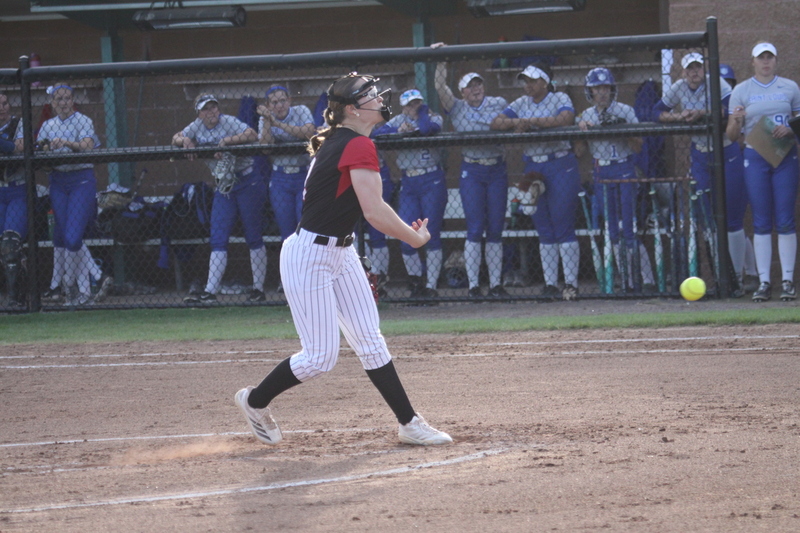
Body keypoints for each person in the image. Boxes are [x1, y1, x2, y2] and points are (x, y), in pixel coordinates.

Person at [234, 72, 452, 446]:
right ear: (352, 109)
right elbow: (374, 210)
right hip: (311, 257)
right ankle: (254, 401)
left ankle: (409, 423)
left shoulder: (346, 139)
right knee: (320, 358)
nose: (379, 99)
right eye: (369, 95)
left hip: (340, 251)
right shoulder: (355, 144)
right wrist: (415, 238)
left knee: (370, 340)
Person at [655, 52, 749, 297]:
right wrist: (678, 116)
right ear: (683, 71)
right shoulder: (679, 87)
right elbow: (656, 112)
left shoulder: (715, 81)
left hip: (726, 152)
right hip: (700, 154)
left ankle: (736, 278)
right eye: (689, 68)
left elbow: (729, 109)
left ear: (703, 68)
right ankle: (720, 277)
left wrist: (702, 113)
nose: (694, 72)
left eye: (697, 67)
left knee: (732, 218)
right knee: (706, 219)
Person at [491, 64, 581, 301]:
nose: (527, 85)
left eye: (532, 80)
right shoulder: (521, 103)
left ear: (544, 82)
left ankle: (571, 284)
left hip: (560, 163)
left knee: (563, 224)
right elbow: (496, 122)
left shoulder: (559, 96)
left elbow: (566, 117)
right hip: (533, 166)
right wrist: (516, 123)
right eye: (525, 81)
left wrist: (533, 121)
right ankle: (551, 284)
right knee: (543, 227)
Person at [173, 93, 267, 304]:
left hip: (247, 181)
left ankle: (258, 289)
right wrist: (185, 140)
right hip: (225, 186)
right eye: (206, 108)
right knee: (218, 236)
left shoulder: (228, 122)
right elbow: (175, 138)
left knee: (253, 235)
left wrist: (226, 141)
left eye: (213, 107)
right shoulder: (197, 126)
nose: (211, 112)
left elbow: (252, 134)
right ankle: (210, 291)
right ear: (199, 113)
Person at [432, 43, 510, 298]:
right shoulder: (457, 108)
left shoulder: (498, 102)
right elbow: (440, 88)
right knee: (475, 228)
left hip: (496, 167)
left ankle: (496, 285)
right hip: (472, 170)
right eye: (470, 86)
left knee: (496, 228)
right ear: (462, 92)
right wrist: (441, 61)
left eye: (479, 85)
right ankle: (474, 286)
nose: (476, 89)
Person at [727, 42, 800, 302]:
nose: (766, 62)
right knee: (760, 219)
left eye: (770, 58)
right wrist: (736, 120)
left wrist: (791, 130)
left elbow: (799, 120)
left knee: (785, 218)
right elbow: (732, 134)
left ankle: (788, 280)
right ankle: (765, 281)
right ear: (753, 62)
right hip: (755, 154)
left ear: (776, 61)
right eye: (761, 58)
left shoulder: (790, 87)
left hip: (785, 154)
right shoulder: (741, 90)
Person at [575, 68, 654, 292]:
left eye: (605, 88)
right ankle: (625, 280)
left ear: (612, 89)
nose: (602, 92)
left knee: (629, 227)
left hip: (624, 166)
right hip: (601, 170)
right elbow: (579, 152)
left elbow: (638, 144)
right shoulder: (586, 115)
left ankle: (645, 280)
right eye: (597, 88)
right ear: (590, 91)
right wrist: (581, 131)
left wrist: (621, 128)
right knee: (611, 229)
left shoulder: (625, 110)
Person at [36, 83, 108, 306]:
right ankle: (81, 292)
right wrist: (48, 152)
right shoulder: (47, 126)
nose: (63, 103)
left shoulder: (83, 120)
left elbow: (87, 146)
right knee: (64, 236)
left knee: (73, 237)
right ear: (52, 102)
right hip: (58, 181)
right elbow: (41, 154)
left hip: (81, 180)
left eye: (67, 98)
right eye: (59, 99)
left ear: (72, 100)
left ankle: (93, 277)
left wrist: (66, 143)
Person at [373, 89, 445, 298]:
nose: (413, 108)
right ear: (403, 106)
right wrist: (399, 131)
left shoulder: (431, 116)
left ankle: (431, 286)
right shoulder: (398, 120)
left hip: (432, 179)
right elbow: (377, 134)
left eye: (417, 103)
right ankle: (416, 282)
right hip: (409, 182)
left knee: (431, 234)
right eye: (410, 105)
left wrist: (420, 115)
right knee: (406, 236)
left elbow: (427, 129)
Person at [258, 86, 316, 244]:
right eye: (274, 102)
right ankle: (291, 268)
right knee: (287, 234)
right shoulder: (265, 119)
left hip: (303, 175)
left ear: (289, 100)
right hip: (280, 179)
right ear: (269, 105)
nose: (279, 105)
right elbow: (265, 148)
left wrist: (277, 123)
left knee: (305, 230)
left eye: (283, 100)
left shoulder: (300, 110)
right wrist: (268, 122)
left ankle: (308, 268)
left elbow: (309, 132)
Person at [0, 91, 27, 306]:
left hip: (18, 189)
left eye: (5, 103)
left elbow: (19, 148)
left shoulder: (18, 123)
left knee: (10, 242)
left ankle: (14, 298)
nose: (2, 108)